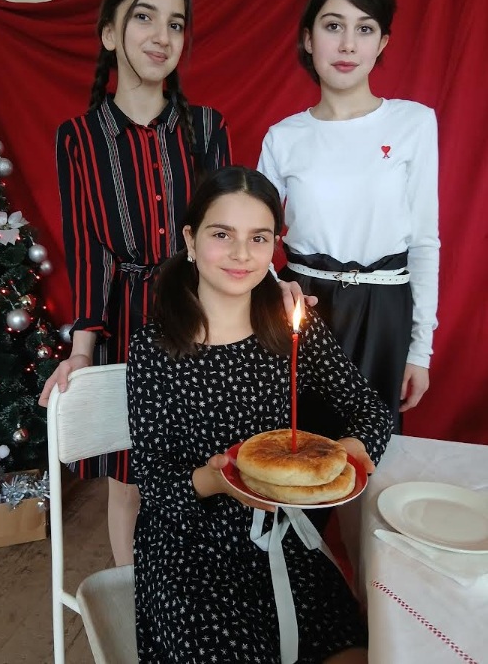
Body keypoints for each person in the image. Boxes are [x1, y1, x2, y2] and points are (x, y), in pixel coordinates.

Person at [39, 0, 308, 567]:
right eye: (144, 17)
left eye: (176, 24)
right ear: (110, 33)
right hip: (127, 325)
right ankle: (142, 595)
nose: (162, 36)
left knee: (213, 464)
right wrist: (82, 350)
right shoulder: (79, 138)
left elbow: (233, 224)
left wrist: (273, 283)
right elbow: (87, 247)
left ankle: (215, 582)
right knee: (132, 480)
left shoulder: (207, 127)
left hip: (204, 314)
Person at [127, 165, 393, 663]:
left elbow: (370, 408)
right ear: (190, 239)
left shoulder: (291, 327)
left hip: (282, 538)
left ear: (274, 246)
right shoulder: (153, 347)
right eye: (221, 234)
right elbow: (153, 481)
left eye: (258, 237)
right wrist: (215, 481)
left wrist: (354, 448)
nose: (241, 253)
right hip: (188, 552)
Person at [258, 0, 439, 435]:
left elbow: (424, 241)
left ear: (382, 43)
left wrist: (419, 350)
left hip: (385, 311)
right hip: (305, 310)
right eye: (333, 26)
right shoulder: (283, 138)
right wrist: (276, 288)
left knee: (370, 455)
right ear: (308, 38)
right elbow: (254, 237)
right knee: (298, 450)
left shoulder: (414, 124)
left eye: (365, 29)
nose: (347, 45)